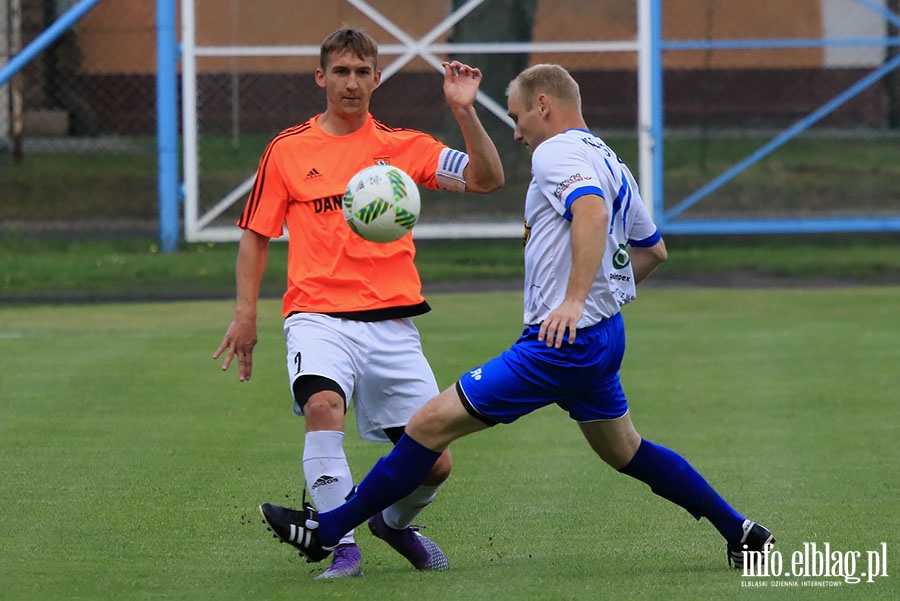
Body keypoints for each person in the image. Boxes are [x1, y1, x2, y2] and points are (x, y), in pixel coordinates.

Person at [257, 63, 775, 572]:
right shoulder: (609, 158)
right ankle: (740, 531)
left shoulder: (556, 152)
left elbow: (590, 212)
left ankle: (327, 530)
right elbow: (653, 250)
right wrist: (597, 304)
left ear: (543, 106)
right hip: (600, 338)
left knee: (427, 425)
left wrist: (574, 303)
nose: (517, 130)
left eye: (517, 116)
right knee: (626, 451)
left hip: (560, 345)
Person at [213, 28, 504, 579]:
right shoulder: (288, 149)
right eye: (341, 72)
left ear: (377, 78)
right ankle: (342, 546)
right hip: (317, 316)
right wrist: (245, 315)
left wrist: (465, 111)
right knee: (323, 407)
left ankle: (392, 524)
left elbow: (488, 178)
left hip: (394, 322)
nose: (352, 83)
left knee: (435, 464)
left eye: (362, 72)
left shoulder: (404, 147)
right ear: (321, 77)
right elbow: (255, 234)